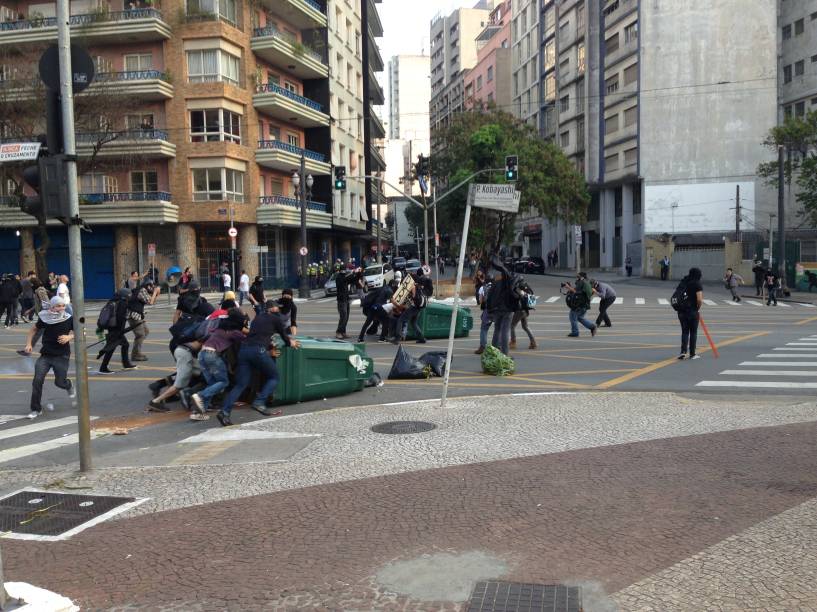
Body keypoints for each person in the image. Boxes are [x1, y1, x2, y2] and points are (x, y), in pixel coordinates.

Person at [216, 299, 301, 426]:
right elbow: (284, 337)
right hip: (258, 351)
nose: (279, 310)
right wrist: (291, 342)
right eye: (277, 308)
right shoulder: (275, 319)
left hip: (244, 351)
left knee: (241, 384)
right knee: (274, 377)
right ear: (272, 309)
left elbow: (257, 333)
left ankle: (225, 412)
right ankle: (259, 402)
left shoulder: (258, 318)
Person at [23, 296, 76, 419]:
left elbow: (81, 331)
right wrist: (28, 344)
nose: (61, 308)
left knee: (59, 382)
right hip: (45, 355)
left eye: (63, 305)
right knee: (37, 381)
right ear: (52, 307)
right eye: (58, 306)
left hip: (62, 356)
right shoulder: (45, 318)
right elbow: (33, 330)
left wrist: (69, 337)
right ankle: (36, 409)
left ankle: (68, 385)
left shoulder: (69, 318)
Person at [190, 308, 247, 416]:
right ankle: (200, 395)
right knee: (223, 382)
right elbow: (248, 339)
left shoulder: (220, 327)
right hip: (212, 355)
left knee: (212, 384)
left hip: (202, 355)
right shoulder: (235, 332)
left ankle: (198, 413)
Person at [97, 288, 137, 374]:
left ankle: (126, 364)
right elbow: (120, 318)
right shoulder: (122, 303)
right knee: (111, 348)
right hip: (117, 330)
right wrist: (120, 329)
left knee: (124, 345)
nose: (130, 296)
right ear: (125, 295)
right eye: (129, 295)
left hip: (113, 328)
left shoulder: (113, 301)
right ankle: (103, 368)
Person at [486, 263, 516, 355]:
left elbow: (490, 296)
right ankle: (505, 353)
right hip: (508, 310)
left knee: (497, 329)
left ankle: (494, 352)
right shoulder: (511, 283)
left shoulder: (496, 283)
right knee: (505, 331)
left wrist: (490, 309)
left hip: (497, 309)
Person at [128, 278, 160, 361]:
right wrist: (155, 292)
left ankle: (137, 352)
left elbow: (151, 300)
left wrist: (155, 294)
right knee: (140, 335)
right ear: (148, 286)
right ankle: (135, 355)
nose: (152, 288)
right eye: (152, 286)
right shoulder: (142, 290)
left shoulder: (141, 290)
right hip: (134, 316)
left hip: (138, 315)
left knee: (145, 331)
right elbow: (150, 302)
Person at [676, 267, 703, 360]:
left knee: (685, 331)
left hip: (681, 311)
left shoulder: (684, 282)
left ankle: (683, 352)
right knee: (693, 332)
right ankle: (692, 353)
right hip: (692, 312)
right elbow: (699, 299)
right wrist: (698, 308)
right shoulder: (697, 284)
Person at [564, 272, 596, 338]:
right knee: (579, 317)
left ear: (582, 277)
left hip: (579, 304)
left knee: (572, 316)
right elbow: (578, 290)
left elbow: (577, 293)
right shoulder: (586, 283)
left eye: (578, 276)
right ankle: (592, 327)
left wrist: (568, 287)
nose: (577, 278)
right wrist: (569, 287)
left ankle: (575, 332)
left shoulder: (582, 283)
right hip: (584, 304)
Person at [509, 278, 536, 350]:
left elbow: (516, 297)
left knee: (512, 326)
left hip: (519, 310)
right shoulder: (527, 287)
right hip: (525, 310)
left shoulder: (518, 288)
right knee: (525, 327)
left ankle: (513, 342)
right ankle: (533, 342)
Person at [335, 268, 356, 339]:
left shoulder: (345, 277)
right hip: (341, 300)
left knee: (346, 317)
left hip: (346, 299)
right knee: (343, 316)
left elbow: (352, 280)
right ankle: (338, 332)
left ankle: (343, 332)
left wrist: (356, 274)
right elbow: (345, 279)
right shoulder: (339, 277)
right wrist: (352, 272)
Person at [474, 271, 492, 355]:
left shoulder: (483, 288)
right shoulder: (496, 286)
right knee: (498, 329)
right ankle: (498, 346)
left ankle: (482, 347)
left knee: (484, 329)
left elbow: (481, 300)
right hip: (497, 311)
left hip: (488, 310)